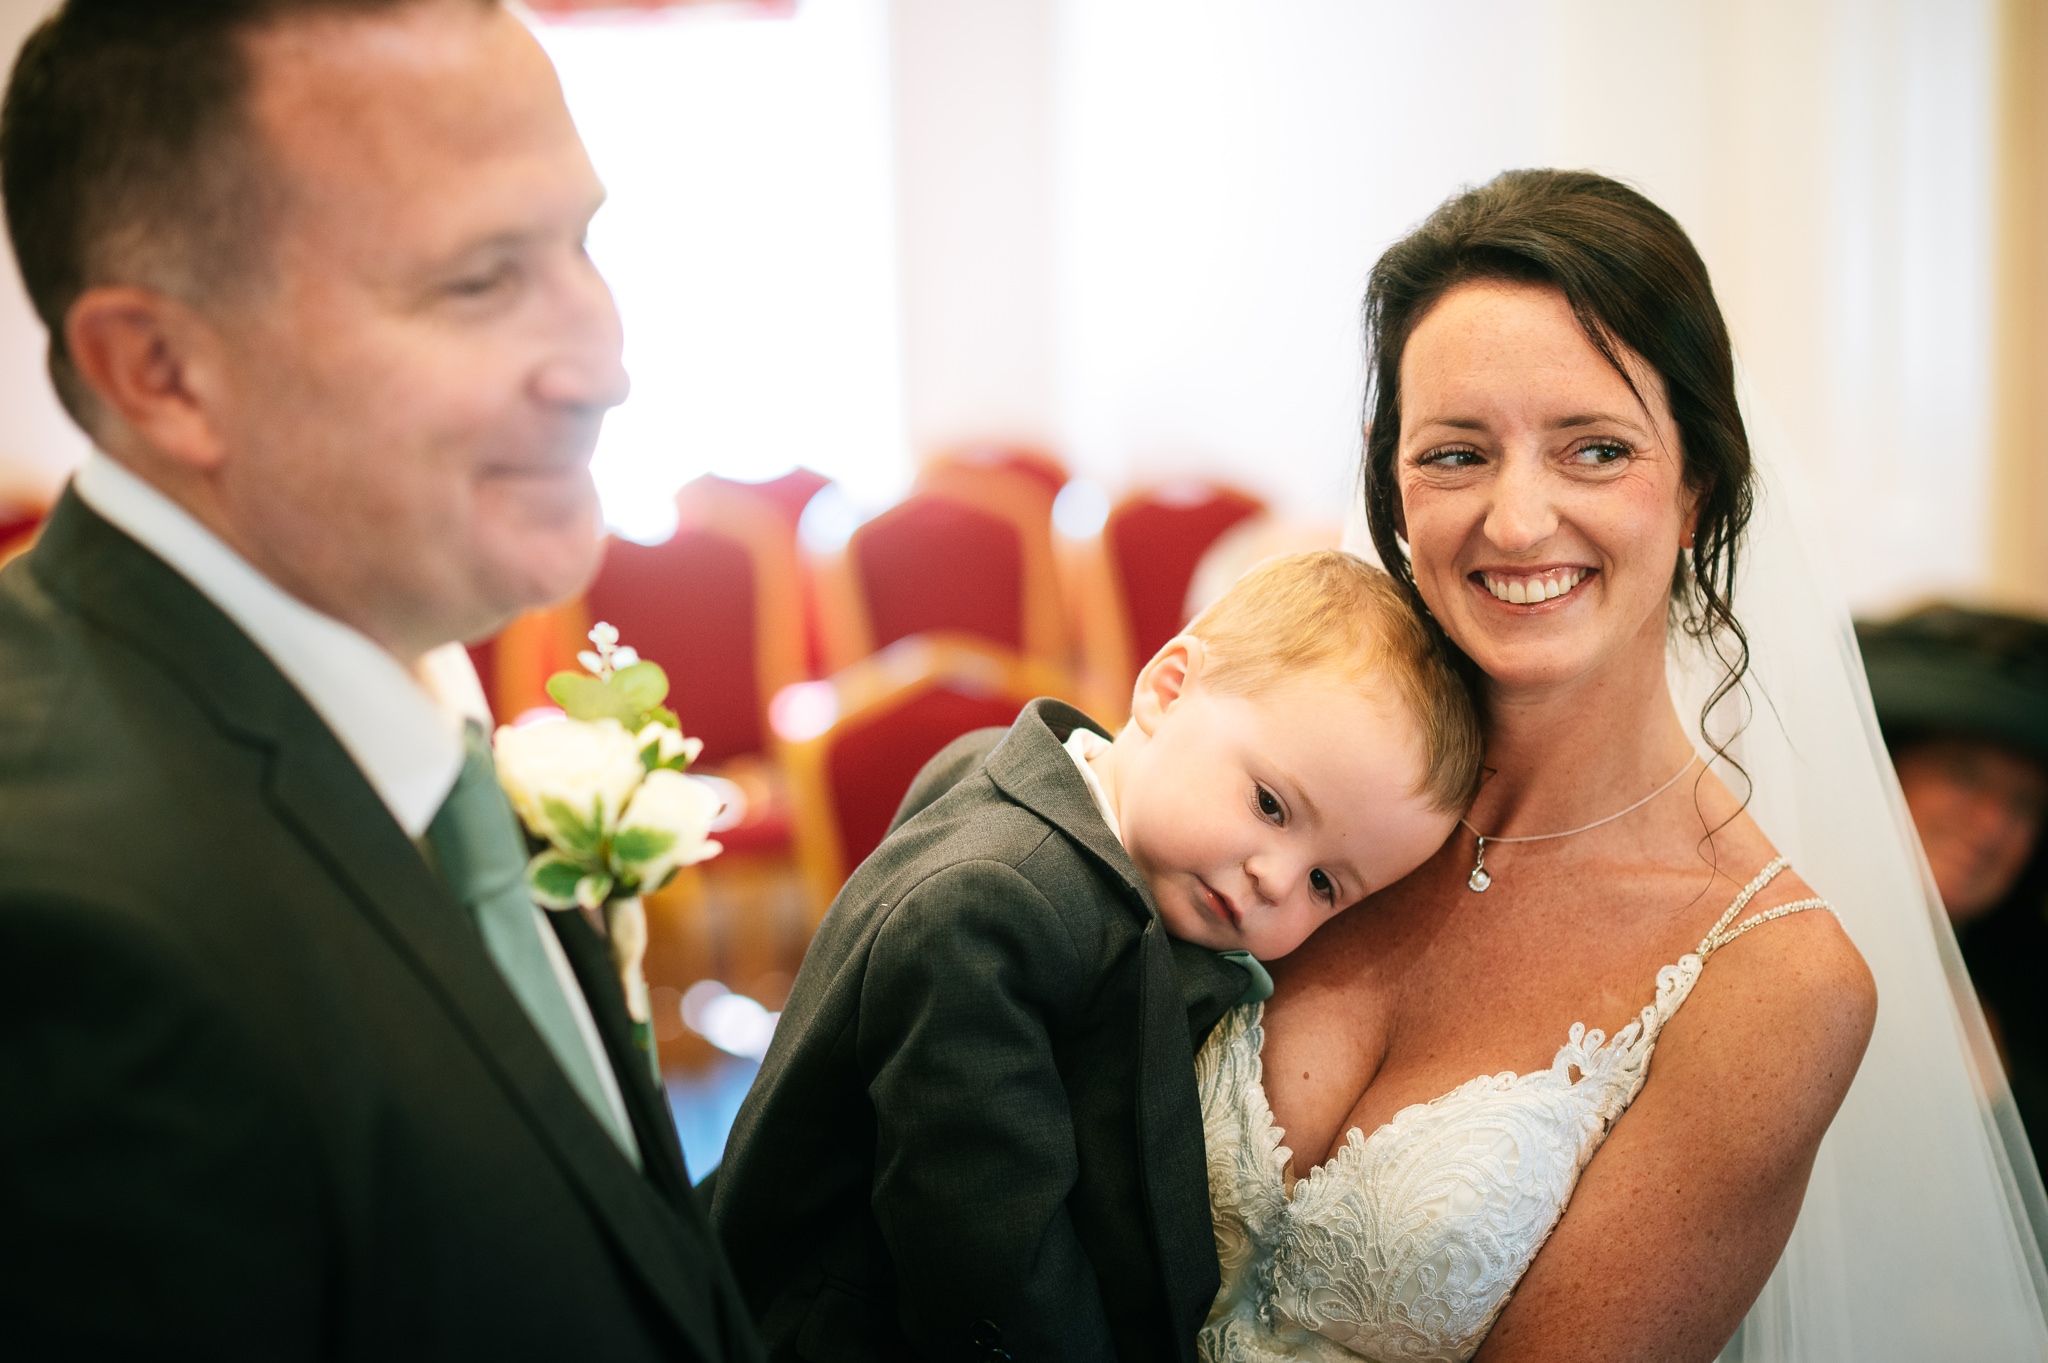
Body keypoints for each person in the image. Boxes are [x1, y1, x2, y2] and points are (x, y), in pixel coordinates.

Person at [0, 1, 758, 1357]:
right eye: (477, 280)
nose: (606, 364)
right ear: (163, 370)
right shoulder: (62, 929)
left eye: (580, 243)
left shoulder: (412, 701)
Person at [1197, 167, 2048, 1363]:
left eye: (1593, 449)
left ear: (1697, 487)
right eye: (1453, 455)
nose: (1515, 520)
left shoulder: (1775, 982)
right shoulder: (1275, 789)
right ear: (1391, 490)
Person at [712, 551, 1484, 1363]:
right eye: (1270, 805)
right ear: (1168, 687)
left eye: (1326, 884)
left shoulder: (1006, 769)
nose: (1274, 878)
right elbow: (994, 1266)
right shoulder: (992, 911)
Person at [1859, 605, 2048, 1168]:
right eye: (1964, 774)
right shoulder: (1772, 966)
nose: (1993, 827)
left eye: (2025, 804)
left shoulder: (2031, 987)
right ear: (1882, 769)